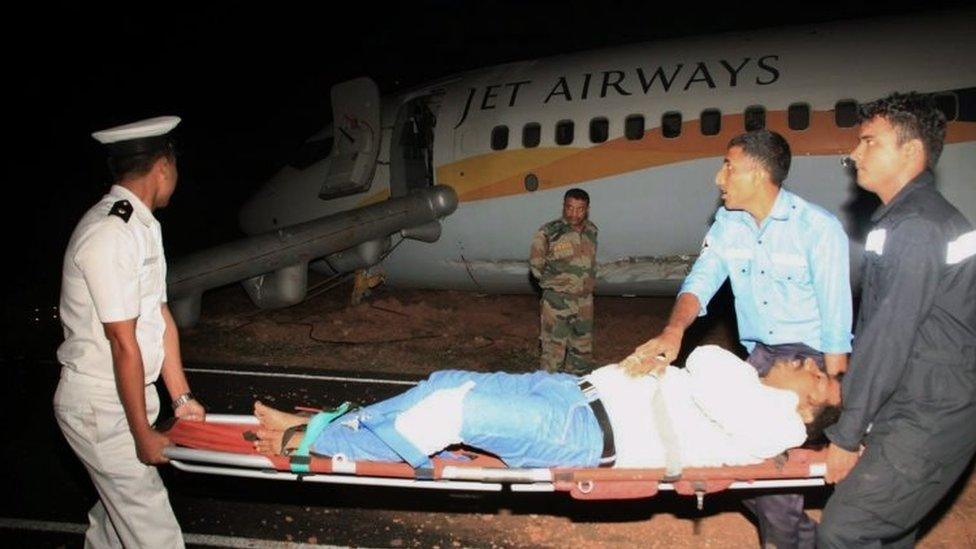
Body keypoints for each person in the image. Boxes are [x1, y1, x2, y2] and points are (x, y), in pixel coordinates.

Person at [628, 129, 853, 549]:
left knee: (771, 482)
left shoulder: (818, 230)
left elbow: (838, 325)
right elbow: (703, 278)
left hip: (806, 362)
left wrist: (839, 400)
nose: (719, 177)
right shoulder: (729, 223)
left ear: (759, 174)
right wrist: (674, 329)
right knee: (735, 457)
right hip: (761, 355)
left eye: (729, 166)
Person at [251, 345, 841, 472]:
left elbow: (709, 361)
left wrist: (678, 361)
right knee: (443, 382)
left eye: (811, 367)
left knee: (452, 414)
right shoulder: (757, 391)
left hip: (583, 435)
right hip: (574, 392)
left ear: (813, 393)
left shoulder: (774, 422)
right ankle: (325, 423)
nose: (799, 361)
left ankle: (312, 442)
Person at [818, 93, 976, 548]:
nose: (854, 153)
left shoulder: (916, 227)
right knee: (890, 534)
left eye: (870, 142)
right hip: (916, 398)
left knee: (845, 531)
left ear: (910, 151)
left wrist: (847, 436)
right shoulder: (906, 219)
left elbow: (888, 338)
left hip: (929, 413)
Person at [53, 116, 205, 548]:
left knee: (115, 520)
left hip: (124, 399)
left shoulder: (142, 225)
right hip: (102, 406)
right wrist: (142, 435)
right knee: (152, 530)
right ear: (163, 166)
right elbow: (124, 342)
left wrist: (182, 397)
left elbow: (158, 316)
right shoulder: (109, 234)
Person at [529, 188, 598, 374]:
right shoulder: (548, 232)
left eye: (580, 209)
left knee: (582, 352)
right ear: (564, 207)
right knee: (553, 352)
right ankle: (547, 394)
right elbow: (536, 267)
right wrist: (558, 286)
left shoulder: (592, 230)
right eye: (570, 208)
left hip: (584, 301)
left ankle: (575, 389)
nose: (574, 213)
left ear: (587, 209)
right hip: (557, 302)